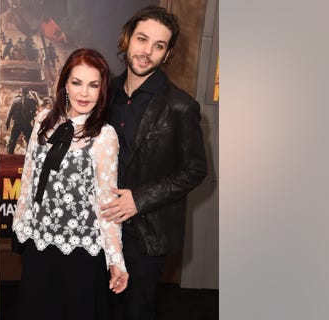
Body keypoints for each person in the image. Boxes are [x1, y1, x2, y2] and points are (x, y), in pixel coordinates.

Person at [100, 6, 208, 320]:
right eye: (142, 39)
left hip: (146, 234)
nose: (147, 51)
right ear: (127, 39)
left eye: (158, 46)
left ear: (168, 53)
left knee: (135, 312)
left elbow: (195, 170)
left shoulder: (180, 106)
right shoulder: (103, 95)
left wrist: (140, 199)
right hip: (100, 227)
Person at [12, 48, 129, 320]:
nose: (84, 93)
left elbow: (106, 202)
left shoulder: (104, 136)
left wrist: (115, 259)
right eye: (77, 82)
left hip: (80, 253)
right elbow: (28, 176)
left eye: (93, 85)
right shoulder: (44, 120)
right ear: (65, 83)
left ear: (102, 90)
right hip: (39, 245)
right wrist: (21, 227)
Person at [5, 87, 37, 154]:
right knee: (14, 140)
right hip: (22, 123)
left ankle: (28, 154)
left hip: (22, 123)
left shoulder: (17, 100)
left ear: (21, 91)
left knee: (16, 140)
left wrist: (7, 122)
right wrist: (7, 121)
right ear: (28, 92)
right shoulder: (28, 101)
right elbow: (34, 113)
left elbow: (10, 111)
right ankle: (10, 154)